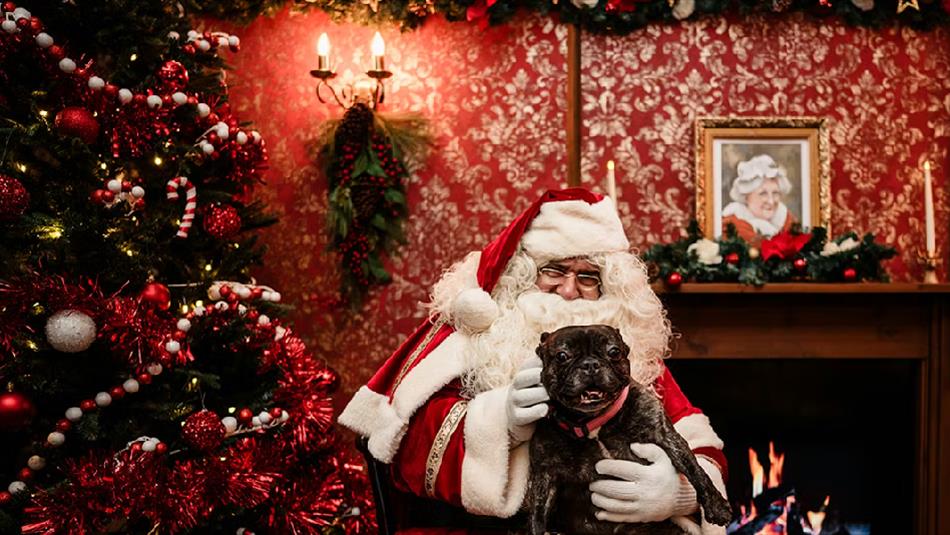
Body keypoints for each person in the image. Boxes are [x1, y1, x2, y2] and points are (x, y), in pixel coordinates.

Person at [340, 188, 728, 534]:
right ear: (522, 274)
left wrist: (678, 494)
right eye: (554, 271)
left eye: (589, 277)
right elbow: (404, 452)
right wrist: (500, 420)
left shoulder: (626, 351)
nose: (570, 290)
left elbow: (699, 443)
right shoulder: (475, 341)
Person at [721, 154, 796, 244]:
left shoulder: (789, 222)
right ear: (746, 196)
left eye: (775, 193)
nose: (771, 201)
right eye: (763, 193)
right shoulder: (731, 225)